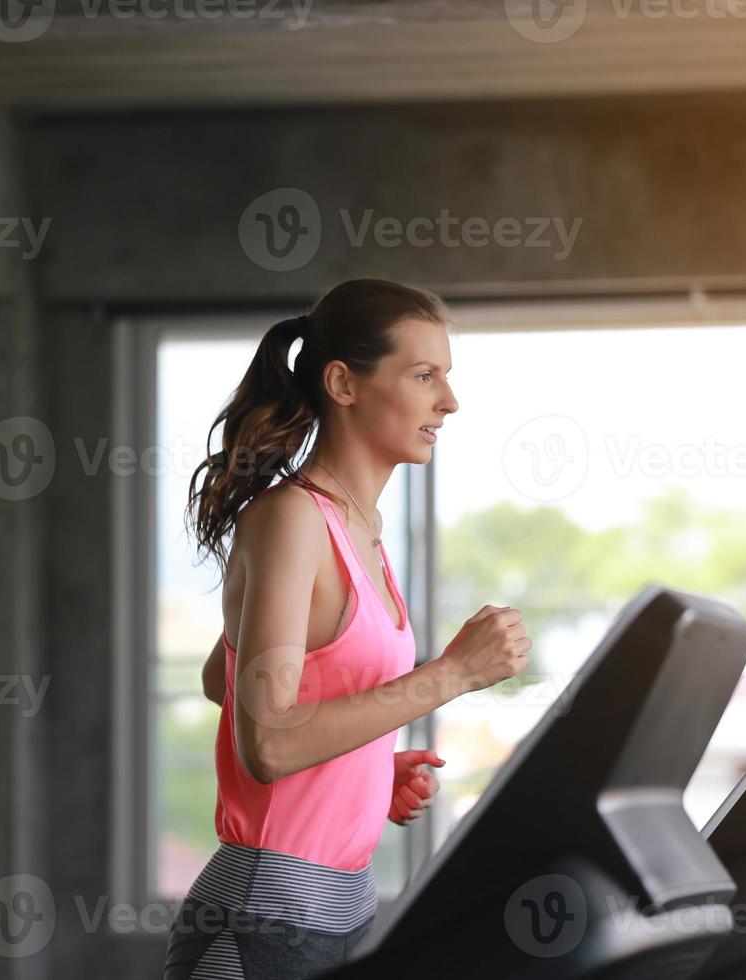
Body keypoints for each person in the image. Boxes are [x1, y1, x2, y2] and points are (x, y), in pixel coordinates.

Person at [168, 278, 532, 980]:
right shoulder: (292, 519)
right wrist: (450, 675)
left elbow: (225, 678)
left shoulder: (359, 529)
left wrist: (354, 767)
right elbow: (268, 741)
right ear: (342, 382)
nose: (448, 402)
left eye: (445, 379)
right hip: (260, 920)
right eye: (424, 376)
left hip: (342, 913)